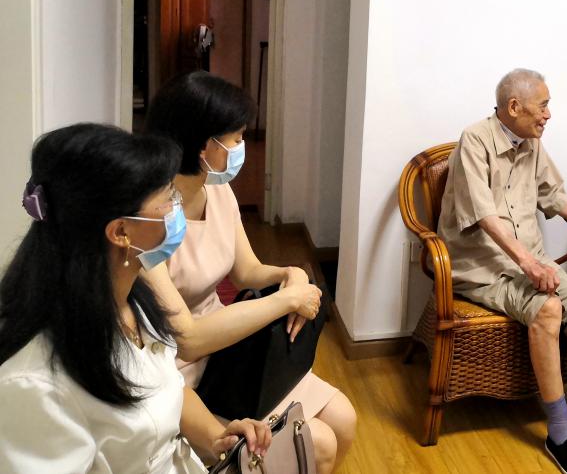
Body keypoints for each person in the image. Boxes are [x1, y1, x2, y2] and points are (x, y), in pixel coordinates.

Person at [0, 123, 271, 473]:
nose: (177, 209)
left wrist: (219, 438)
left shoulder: (132, 299)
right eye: (168, 198)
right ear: (121, 232)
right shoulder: (35, 385)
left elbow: (166, 388)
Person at [142, 72, 356, 472]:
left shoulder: (216, 189)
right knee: (319, 441)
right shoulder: (150, 219)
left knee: (343, 417)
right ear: (206, 145)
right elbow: (188, 340)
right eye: (237, 138)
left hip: (230, 351)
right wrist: (286, 300)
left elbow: (247, 271)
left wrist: (290, 274)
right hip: (182, 369)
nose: (242, 147)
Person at [438, 69, 567, 474]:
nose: (548, 114)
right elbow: (484, 216)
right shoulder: (474, 140)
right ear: (514, 107)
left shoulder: (531, 143)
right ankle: (560, 431)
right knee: (548, 308)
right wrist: (528, 262)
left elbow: (554, 197)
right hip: (484, 269)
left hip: (528, 263)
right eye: (542, 106)